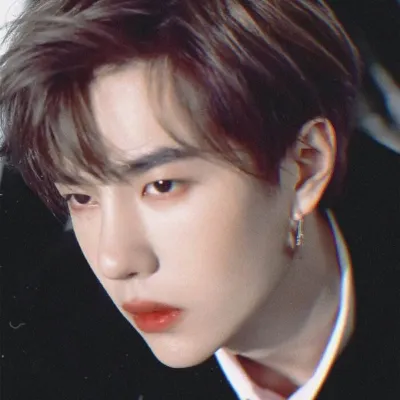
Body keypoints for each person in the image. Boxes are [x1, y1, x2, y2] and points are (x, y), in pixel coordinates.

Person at [1, 1, 398, 399]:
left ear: (305, 168)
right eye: (81, 196)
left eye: (162, 186)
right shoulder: (47, 352)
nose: (115, 261)